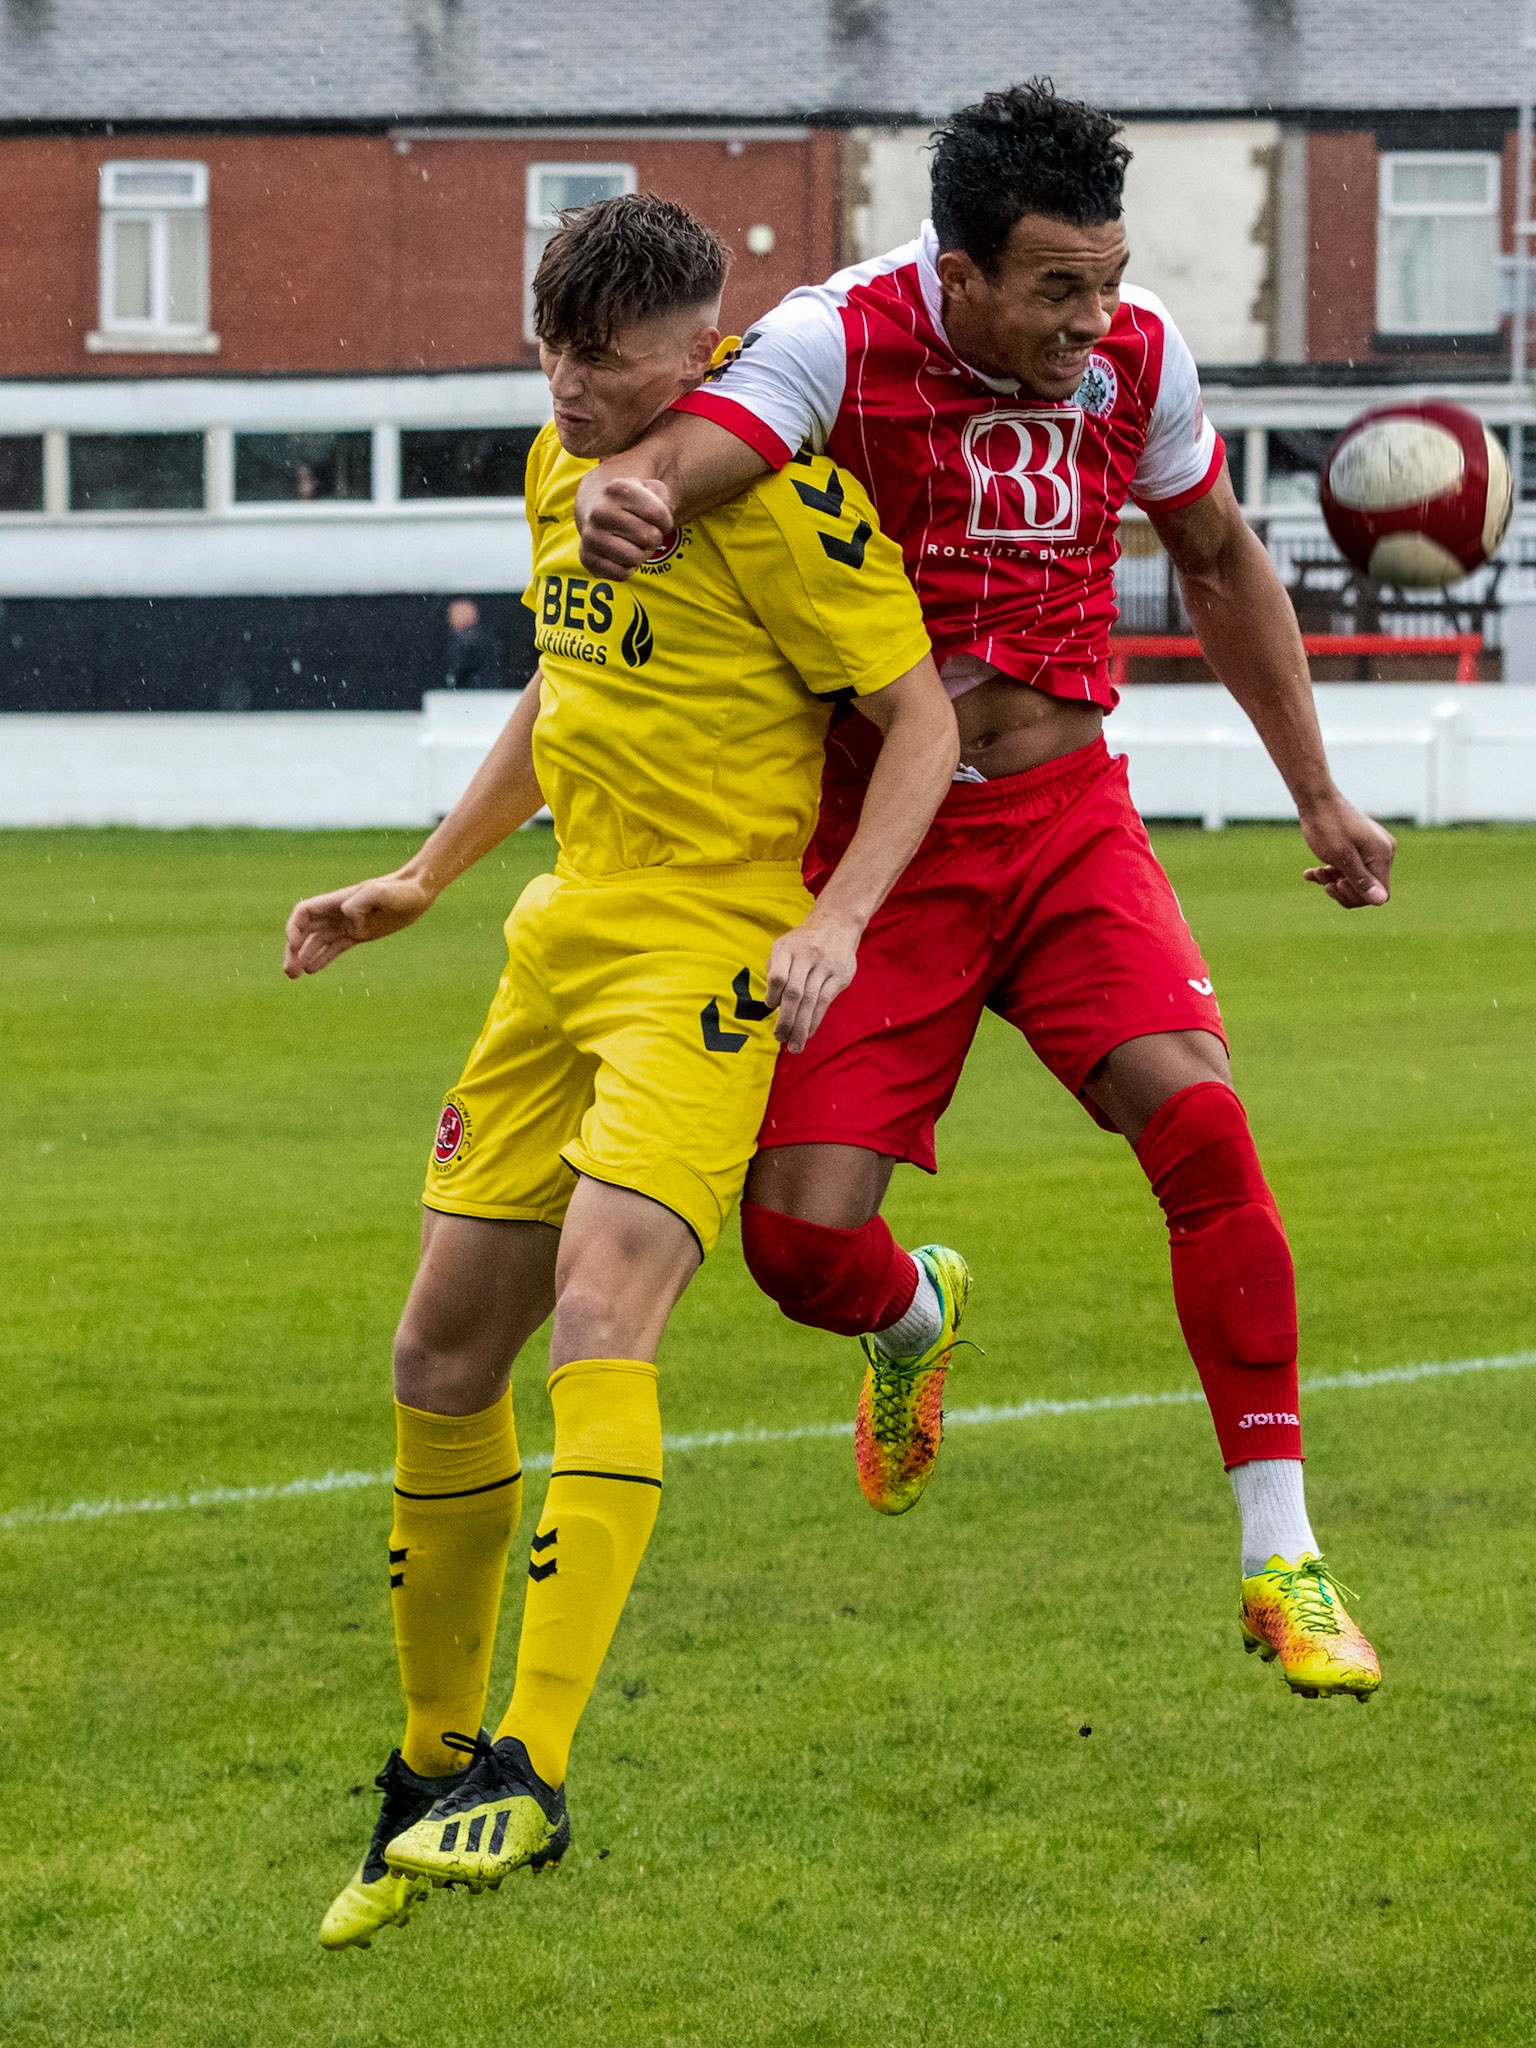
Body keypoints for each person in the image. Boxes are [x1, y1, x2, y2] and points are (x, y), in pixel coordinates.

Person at [574, 83, 1394, 1704]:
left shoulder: (1140, 354)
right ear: (955, 270)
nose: (1091, 324)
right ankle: (908, 1319)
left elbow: (1220, 559)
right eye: (1053, 290)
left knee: (1205, 1127)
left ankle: (1281, 1554)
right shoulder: (836, 341)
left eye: (1107, 280)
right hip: (883, 853)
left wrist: (1316, 787)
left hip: (1070, 819)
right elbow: (710, 443)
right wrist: (640, 485)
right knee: (799, 1247)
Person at [283, 192, 957, 1951]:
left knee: (602, 1304)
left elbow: (926, 725)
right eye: (551, 354)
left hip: (713, 951)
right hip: (560, 937)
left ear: (704, 353)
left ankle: (539, 1757)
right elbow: (561, 687)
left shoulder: (789, 507)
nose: (572, 391)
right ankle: (431, 1767)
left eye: (607, 362)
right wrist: (423, 876)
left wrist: (840, 922)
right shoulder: (553, 472)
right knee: (437, 1346)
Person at [443, 596, 505, 691]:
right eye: (458, 613)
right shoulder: (442, 646)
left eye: (465, 612)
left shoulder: (487, 646)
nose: (463, 617)